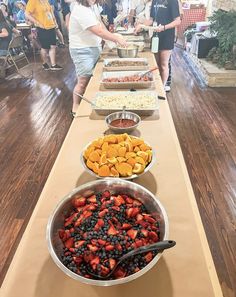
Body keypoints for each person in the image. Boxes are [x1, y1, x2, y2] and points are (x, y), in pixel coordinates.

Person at [69, 0, 127, 117]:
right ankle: (75, 107)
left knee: (93, 78)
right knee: (82, 82)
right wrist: (116, 39)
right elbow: (98, 30)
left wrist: (111, 37)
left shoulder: (93, 6)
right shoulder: (81, 9)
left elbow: (100, 24)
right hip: (82, 49)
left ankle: (90, 103)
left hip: (94, 46)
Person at [135, 0, 181, 86]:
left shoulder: (172, 1)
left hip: (167, 36)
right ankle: (156, 85)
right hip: (156, 36)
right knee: (155, 63)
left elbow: (178, 21)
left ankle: (162, 87)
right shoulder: (155, 1)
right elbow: (152, 20)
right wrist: (141, 25)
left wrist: (164, 27)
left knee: (163, 64)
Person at [25, 0, 63, 70]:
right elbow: (27, 14)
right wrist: (36, 22)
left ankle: (53, 65)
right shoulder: (33, 1)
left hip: (51, 26)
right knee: (45, 47)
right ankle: (44, 63)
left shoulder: (46, 1)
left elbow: (50, 12)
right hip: (42, 27)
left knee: (53, 46)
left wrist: (55, 22)